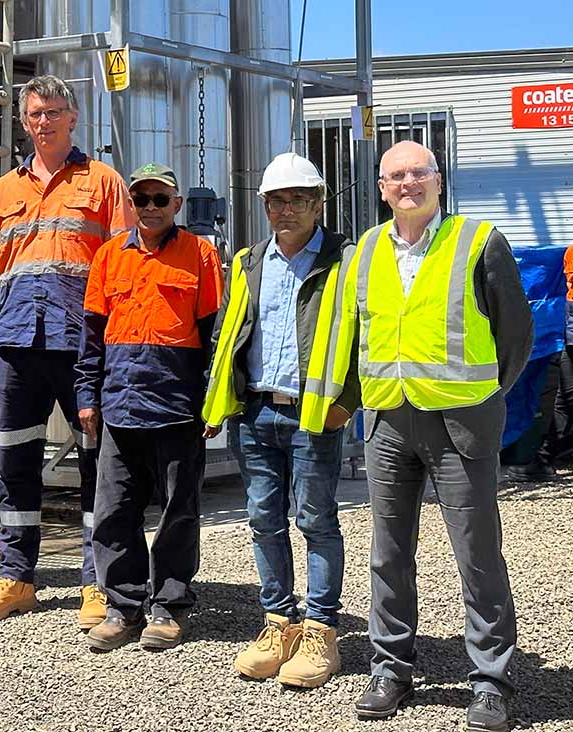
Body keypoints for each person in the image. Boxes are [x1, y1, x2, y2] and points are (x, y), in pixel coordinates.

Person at [341, 141, 530, 731]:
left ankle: (490, 680)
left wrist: (484, 396)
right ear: (380, 187)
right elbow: (355, 336)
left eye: (418, 173)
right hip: (390, 421)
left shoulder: (478, 241)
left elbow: (515, 335)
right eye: (395, 176)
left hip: (462, 421)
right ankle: (391, 668)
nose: (408, 184)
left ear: (439, 180)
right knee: (389, 553)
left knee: (476, 554)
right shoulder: (366, 249)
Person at [0, 74, 132, 627]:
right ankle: (15, 575)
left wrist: (114, 345)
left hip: (82, 343)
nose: (44, 122)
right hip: (15, 344)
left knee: (96, 465)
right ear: (24, 120)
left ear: (74, 118)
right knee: (14, 462)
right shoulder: (3, 191)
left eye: (55, 112)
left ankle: (97, 582)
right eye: (35, 113)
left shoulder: (103, 182)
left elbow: (126, 268)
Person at [201, 152, 358, 688]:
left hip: (314, 415)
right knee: (264, 520)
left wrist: (348, 403)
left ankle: (321, 629)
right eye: (276, 200)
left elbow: (365, 337)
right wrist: (217, 402)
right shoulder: (250, 261)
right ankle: (278, 621)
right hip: (256, 412)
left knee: (315, 521)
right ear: (264, 206)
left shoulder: (346, 259)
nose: (286, 209)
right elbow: (230, 335)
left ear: (318, 203)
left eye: (297, 199)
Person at [76, 164, 222, 651]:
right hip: (120, 402)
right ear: (131, 205)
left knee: (179, 510)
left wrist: (211, 401)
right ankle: (123, 606)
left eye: (161, 199)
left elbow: (213, 333)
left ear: (177, 204)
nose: (151, 208)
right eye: (142, 200)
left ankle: (170, 605)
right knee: (115, 510)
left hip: (177, 404)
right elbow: (91, 337)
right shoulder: (107, 257)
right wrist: (86, 396)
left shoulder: (199, 254)